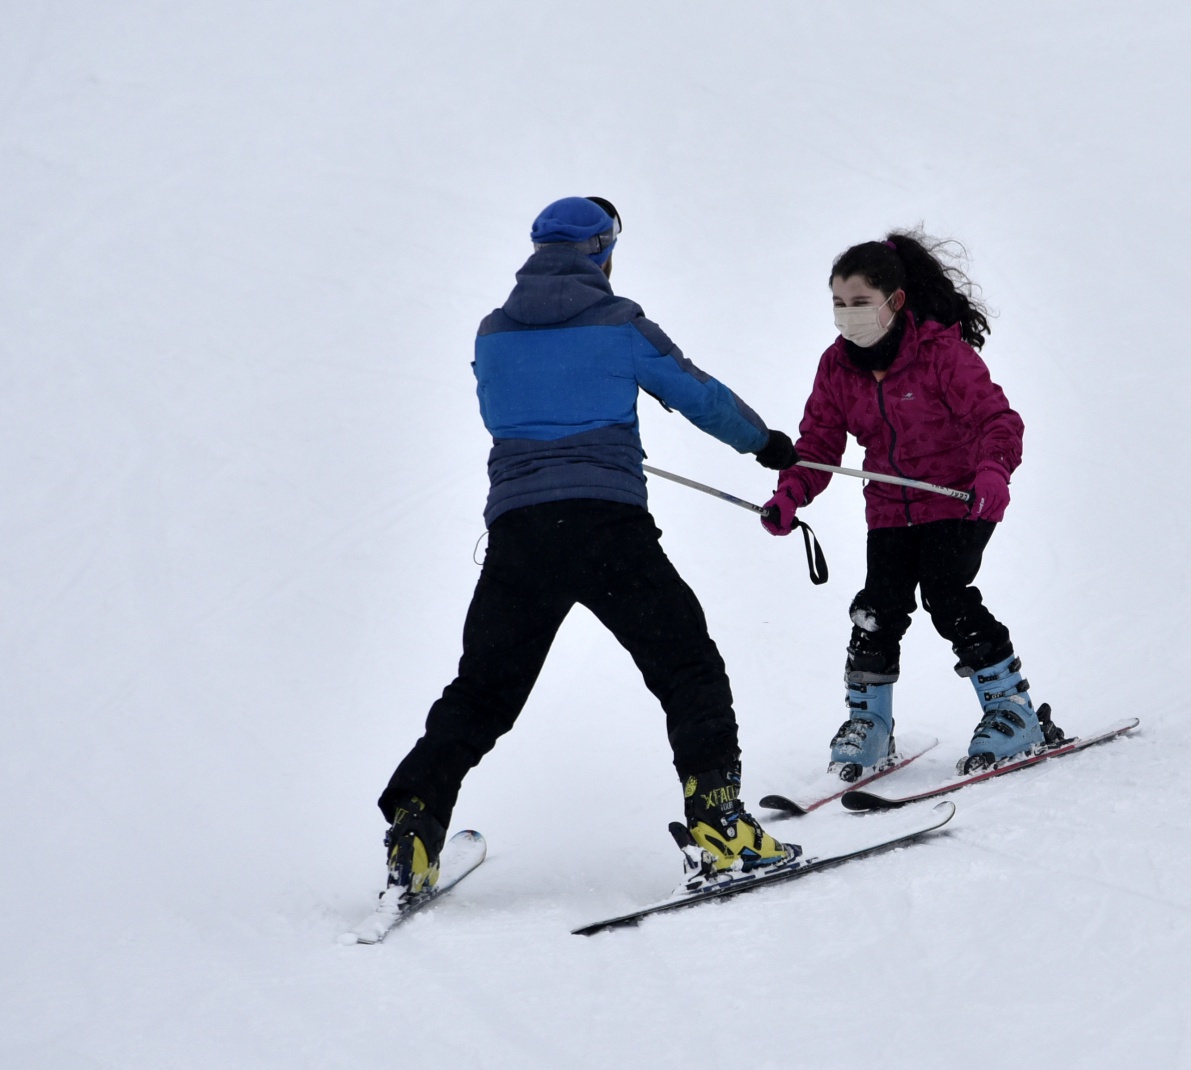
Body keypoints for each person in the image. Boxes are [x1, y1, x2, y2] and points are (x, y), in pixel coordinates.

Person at [375, 196, 802, 908]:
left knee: (482, 692)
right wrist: (765, 445)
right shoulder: (619, 321)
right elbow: (698, 394)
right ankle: (721, 820)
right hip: (609, 527)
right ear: (602, 251)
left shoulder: (491, 333)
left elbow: (502, 413)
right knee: (685, 665)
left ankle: (416, 826)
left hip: (521, 533)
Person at [761, 231, 1053, 780]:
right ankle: (869, 725)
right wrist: (790, 493)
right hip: (891, 509)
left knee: (947, 595)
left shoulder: (940, 353)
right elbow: (820, 444)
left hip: (958, 500)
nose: (848, 316)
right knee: (877, 609)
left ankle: (1012, 711)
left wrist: (993, 471)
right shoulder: (836, 367)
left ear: (894, 302)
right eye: (839, 304)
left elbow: (998, 421)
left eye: (861, 303)